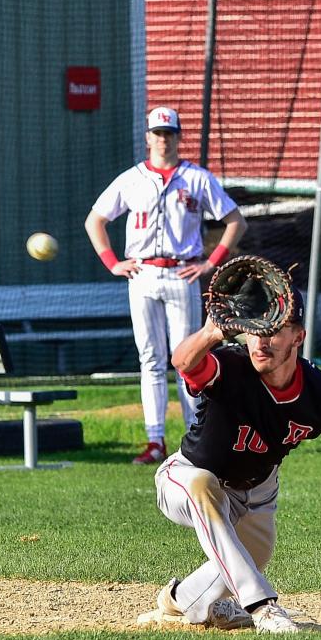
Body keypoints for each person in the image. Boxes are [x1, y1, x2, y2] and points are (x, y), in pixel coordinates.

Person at [136, 285, 321, 634]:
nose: (261, 342)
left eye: (273, 331)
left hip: (257, 496)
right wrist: (211, 331)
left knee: (245, 561)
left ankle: (179, 599)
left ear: (299, 335)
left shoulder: (318, 391)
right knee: (202, 486)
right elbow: (183, 362)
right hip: (186, 476)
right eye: (254, 331)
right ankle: (262, 606)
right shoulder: (231, 365)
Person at [85, 107, 246, 464]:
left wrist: (210, 261)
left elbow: (235, 221)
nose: (163, 139)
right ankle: (154, 439)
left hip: (182, 271)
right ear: (147, 137)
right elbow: (95, 220)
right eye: (157, 133)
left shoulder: (197, 178)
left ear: (178, 136)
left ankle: (197, 435)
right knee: (150, 358)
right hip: (141, 273)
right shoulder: (132, 178)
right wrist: (112, 262)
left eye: (169, 133)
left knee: (189, 358)